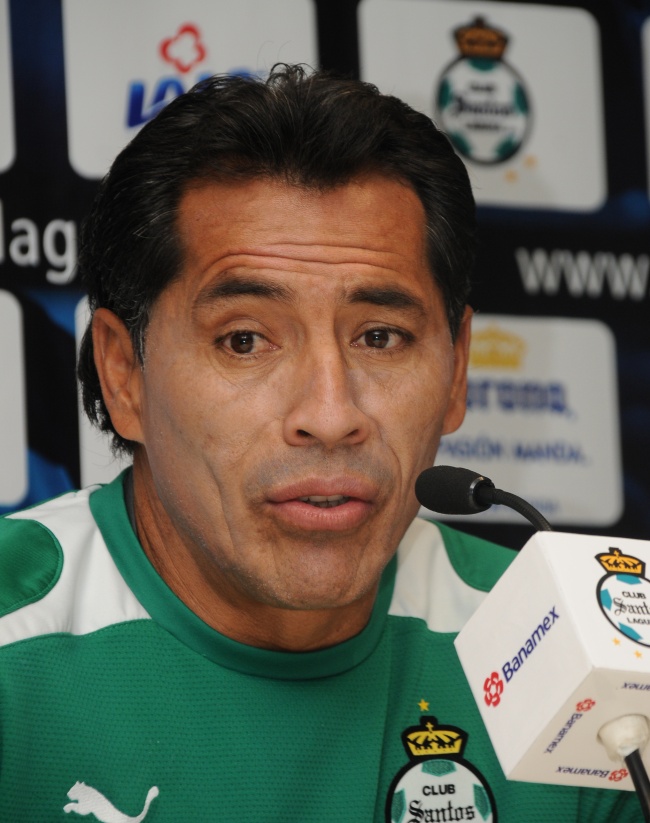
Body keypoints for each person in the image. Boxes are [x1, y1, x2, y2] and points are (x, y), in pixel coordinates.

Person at [0, 65, 638, 822]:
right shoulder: (16, 641)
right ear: (123, 374)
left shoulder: (579, 652)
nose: (331, 415)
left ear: (457, 369)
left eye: (380, 336)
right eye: (244, 340)